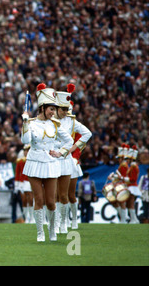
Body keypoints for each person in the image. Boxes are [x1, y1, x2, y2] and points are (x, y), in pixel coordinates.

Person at [21, 83, 74, 242]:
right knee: (39, 199)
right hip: (34, 162)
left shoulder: (56, 125)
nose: (53, 112)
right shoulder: (31, 123)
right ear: (43, 108)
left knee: (51, 202)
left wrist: (60, 153)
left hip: (51, 164)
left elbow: (70, 141)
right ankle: (39, 232)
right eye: (51, 109)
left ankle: (52, 230)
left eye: (54, 109)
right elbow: (25, 140)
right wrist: (24, 124)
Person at [54, 84, 92, 232]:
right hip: (52, 159)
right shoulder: (49, 120)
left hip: (67, 160)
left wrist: (74, 148)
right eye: (62, 109)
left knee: (67, 195)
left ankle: (67, 221)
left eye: (66, 109)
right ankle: (56, 223)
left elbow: (87, 133)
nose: (65, 112)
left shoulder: (72, 121)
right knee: (54, 194)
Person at [15, 145, 34, 223]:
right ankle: (27, 217)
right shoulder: (20, 161)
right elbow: (17, 173)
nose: (26, 152)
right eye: (25, 150)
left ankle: (32, 217)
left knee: (31, 199)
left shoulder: (34, 160)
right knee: (24, 200)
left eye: (27, 150)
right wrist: (17, 185)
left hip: (31, 181)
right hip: (23, 182)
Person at [126, 145, 141, 223]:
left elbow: (133, 179)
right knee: (129, 203)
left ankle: (134, 219)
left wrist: (124, 179)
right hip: (131, 186)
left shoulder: (134, 167)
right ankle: (134, 219)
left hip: (132, 186)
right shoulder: (132, 166)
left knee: (131, 203)